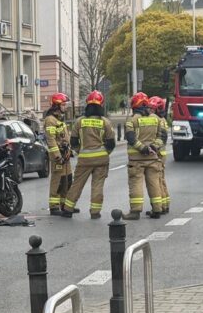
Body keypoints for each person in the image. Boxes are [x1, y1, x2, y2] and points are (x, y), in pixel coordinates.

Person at [62, 90, 116, 219]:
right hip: (101, 159)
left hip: (84, 159)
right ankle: (95, 212)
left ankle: (68, 209)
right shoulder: (105, 122)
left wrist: (80, 151)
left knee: (77, 184)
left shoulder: (79, 122)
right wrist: (105, 152)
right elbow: (111, 143)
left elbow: (73, 141)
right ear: (101, 105)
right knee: (97, 186)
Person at [124, 92, 167, 220]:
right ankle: (157, 209)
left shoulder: (132, 120)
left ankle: (135, 211)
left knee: (136, 183)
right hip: (153, 158)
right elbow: (162, 137)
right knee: (154, 183)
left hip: (136, 159)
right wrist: (153, 147)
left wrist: (142, 148)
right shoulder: (156, 119)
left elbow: (131, 138)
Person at [42, 92, 73, 215]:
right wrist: (57, 156)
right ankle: (54, 206)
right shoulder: (50, 120)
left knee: (67, 180)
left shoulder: (59, 118)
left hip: (65, 155)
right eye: (63, 105)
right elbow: (51, 139)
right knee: (58, 181)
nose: (65, 107)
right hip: (58, 156)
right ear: (57, 105)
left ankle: (64, 204)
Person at [148, 96, 171, 214]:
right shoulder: (162, 119)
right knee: (161, 180)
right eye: (150, 108)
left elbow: (162, 138)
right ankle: (165, 204)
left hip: (158, 154)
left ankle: (161, 206)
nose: (150, 111)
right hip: (161, 153)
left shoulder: (157, 120)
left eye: (153, 108)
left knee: (157, 181)